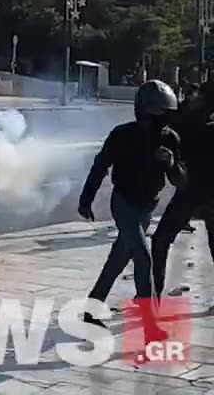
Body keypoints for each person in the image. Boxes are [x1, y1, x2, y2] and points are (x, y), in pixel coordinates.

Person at [78, 80, 185, 335]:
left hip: (147, 207)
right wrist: (86, 198)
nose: (157, 124)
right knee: (143, 258)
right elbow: (100, 166)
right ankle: (150, 326)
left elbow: (180, 181)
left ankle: (91, 309)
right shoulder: (122, 135)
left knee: (118, 260)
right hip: (124, 203)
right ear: (142, 112)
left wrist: (171, 164)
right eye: (153, 117)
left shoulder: (170, 139)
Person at [153, 80, 214, 295]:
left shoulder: (191, 122)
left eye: (196, 96)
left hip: (193, 192)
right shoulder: (188, 120)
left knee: (161, 240)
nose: (191, 98)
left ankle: (154, 296)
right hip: (196, 191)